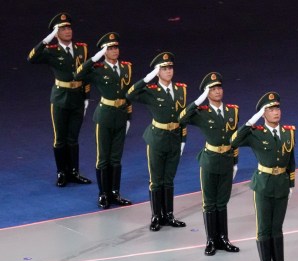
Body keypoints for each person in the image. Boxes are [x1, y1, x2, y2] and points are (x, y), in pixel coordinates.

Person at [230, 92, 297, 261]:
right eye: (270, 109)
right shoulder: (256, 133)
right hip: (263, 184)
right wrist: (251, 121)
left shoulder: (288, 132)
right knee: (264, 228)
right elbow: (234, 141)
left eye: (277, 108)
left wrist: (291, 183)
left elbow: (290, 160)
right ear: (263, 113)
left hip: (281, 183)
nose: (276, 112)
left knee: (277, 227)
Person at [27, 12, 92, 188]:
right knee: (60, 138)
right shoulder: (51, 51)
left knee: (73, 137)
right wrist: (47, 39)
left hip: (77, 97)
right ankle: (62, 172)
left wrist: (86, 97)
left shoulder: (81, 49)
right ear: (56, 33)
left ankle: (73, 172)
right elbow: (32, 58)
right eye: (63, 29)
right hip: (61, 97)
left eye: (69, 27)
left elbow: (87, 74)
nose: (68, 31)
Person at [179, 72, 240, 255]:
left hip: (226, 160)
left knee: (222, 202)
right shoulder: (202, 113)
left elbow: (234, 138)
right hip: (210, 160)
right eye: (212, 89)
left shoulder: (232, 111)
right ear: (207, 93)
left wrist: (235, 161)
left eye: (219, 87)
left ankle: (223, 239)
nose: (217, 91)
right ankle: (211, 240)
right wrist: (199, 100)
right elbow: (182, 118)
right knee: (209, 202)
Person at [127, 52, 188, 230]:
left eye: (170, 68)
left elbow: (183, 117)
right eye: (164, 68)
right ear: (157, 71)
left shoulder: (181, 89)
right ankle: (156, 215)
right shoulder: (151, 91)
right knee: (156, 179)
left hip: (174, 138)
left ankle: (168, 215)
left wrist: (183, 139)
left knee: (169, 179)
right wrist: (148, 78)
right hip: (157, 138)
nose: (169, 71)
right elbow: (130, 94)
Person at [73, 32, 133, 209]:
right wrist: (94, 58)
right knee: (103, 158)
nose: (114, 51)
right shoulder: (98, 69)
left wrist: (129, 116)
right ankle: (103, 194)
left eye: (116, 47)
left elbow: (128, 93)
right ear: (104, 51)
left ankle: (115, 192)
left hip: (120, 115)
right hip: (105, 115)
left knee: (116, 157)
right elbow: (78, 75)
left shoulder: (126, 67)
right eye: (110, 48)